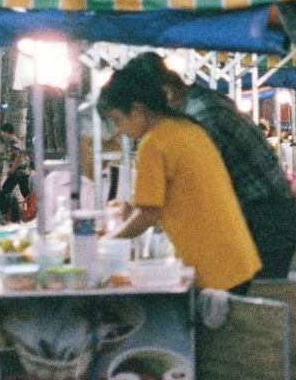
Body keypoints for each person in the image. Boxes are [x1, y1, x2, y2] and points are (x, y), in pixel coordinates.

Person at [122, 52, 296, 279]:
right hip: (266, 215)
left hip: (266, 220)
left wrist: (148, 215)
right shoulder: (197, 104)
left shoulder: (201, 116)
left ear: (166, 92)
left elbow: (201, 189)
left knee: (251, 306)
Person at [97, 65, 261, 292]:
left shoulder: (153, 143)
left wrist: (103, 244)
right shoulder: (187, 127)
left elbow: (148, 213)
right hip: (237, 255)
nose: (119, 130)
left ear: (136, 110)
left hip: (212, 266)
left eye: (117, 119)